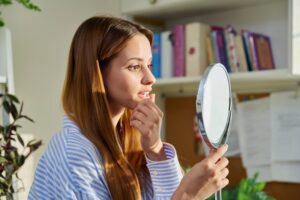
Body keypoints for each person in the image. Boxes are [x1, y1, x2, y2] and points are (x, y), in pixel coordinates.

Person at [29, 16, 229, 200]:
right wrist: (188, 195)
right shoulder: (74, 153)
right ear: (96, 72)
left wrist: (155, 150)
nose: (151, 78)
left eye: (149, 65)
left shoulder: (129, 141)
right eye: (134, 66)